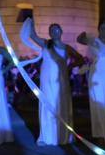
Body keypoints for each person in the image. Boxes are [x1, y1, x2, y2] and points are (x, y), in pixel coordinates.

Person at [22, 17, 81, 146]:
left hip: (60, 81)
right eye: (52, 30)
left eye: (57, 30)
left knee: (60, 106)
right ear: (49, 33)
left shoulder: (66, 48)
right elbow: (33, 35)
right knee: (47, 105)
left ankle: (63, 135)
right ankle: (46, 137)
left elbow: (80, 59)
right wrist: (31, 22)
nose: (55, 32)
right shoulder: (46, 44)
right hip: (47, 81)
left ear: (61, 31)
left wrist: (69, 67)